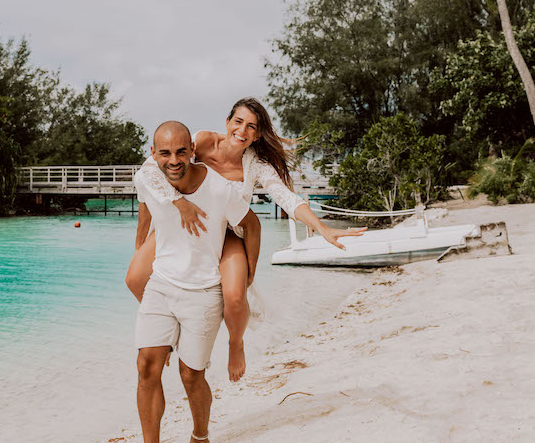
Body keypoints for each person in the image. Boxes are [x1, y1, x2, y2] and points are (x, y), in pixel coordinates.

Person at [126, 97, 365, 370]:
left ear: (258, 134)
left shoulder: (257, 166)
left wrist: (322, 228)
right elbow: (149, 173)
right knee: (134, 278)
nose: (242, 130)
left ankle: (235, 343)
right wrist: (165, 216)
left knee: (236, 297)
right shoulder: (200, 142)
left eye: (251, 126)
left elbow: (287, 199)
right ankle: (164, 333)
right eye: (238, 122)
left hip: (227, 230)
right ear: (227, 122)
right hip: (183, 222)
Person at [128, 120, 261, 443]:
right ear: (153, 154)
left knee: (191, 375)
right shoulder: (148, 179)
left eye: (180, 152)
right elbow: (144, 220)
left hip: (203, 291)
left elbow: (252, 226)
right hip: (161, 285)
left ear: (192, 151)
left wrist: (248, 276)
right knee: (146, 367)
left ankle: (200, 438)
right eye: (165, 153)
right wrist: (139, 256)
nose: (173, 160)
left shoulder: (219, 189)